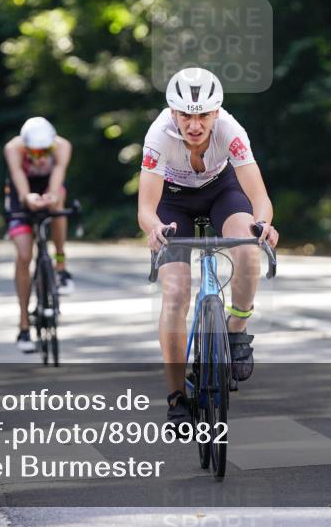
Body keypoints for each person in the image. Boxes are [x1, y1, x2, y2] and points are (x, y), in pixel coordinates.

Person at [137, 67, 279, 427]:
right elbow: (146, 209)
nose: (195, 124)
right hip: (173, 203)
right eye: (186, 114)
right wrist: (154, 229)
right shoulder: (159, 137)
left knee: (247, 248)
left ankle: (237, 328)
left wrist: (263, 224)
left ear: (216, 112)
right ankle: (175, 397)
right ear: (173, 113)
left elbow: (259, 197)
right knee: (175, 291)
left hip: (221, 191)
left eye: (202, 115)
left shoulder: (231, 132)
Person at [4, 117, 74, 352]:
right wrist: (28, 198)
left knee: (59, 202)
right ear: (25, 146)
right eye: (34, 152)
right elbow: (18, 178)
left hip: (47, 185)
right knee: (24, 255)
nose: (41, 156)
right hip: (21, 190)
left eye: (46, 151)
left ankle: (61, 265)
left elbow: (58, 175)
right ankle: (24, 325)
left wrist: (52, 196)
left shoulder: (62, 146)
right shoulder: (13, 148)